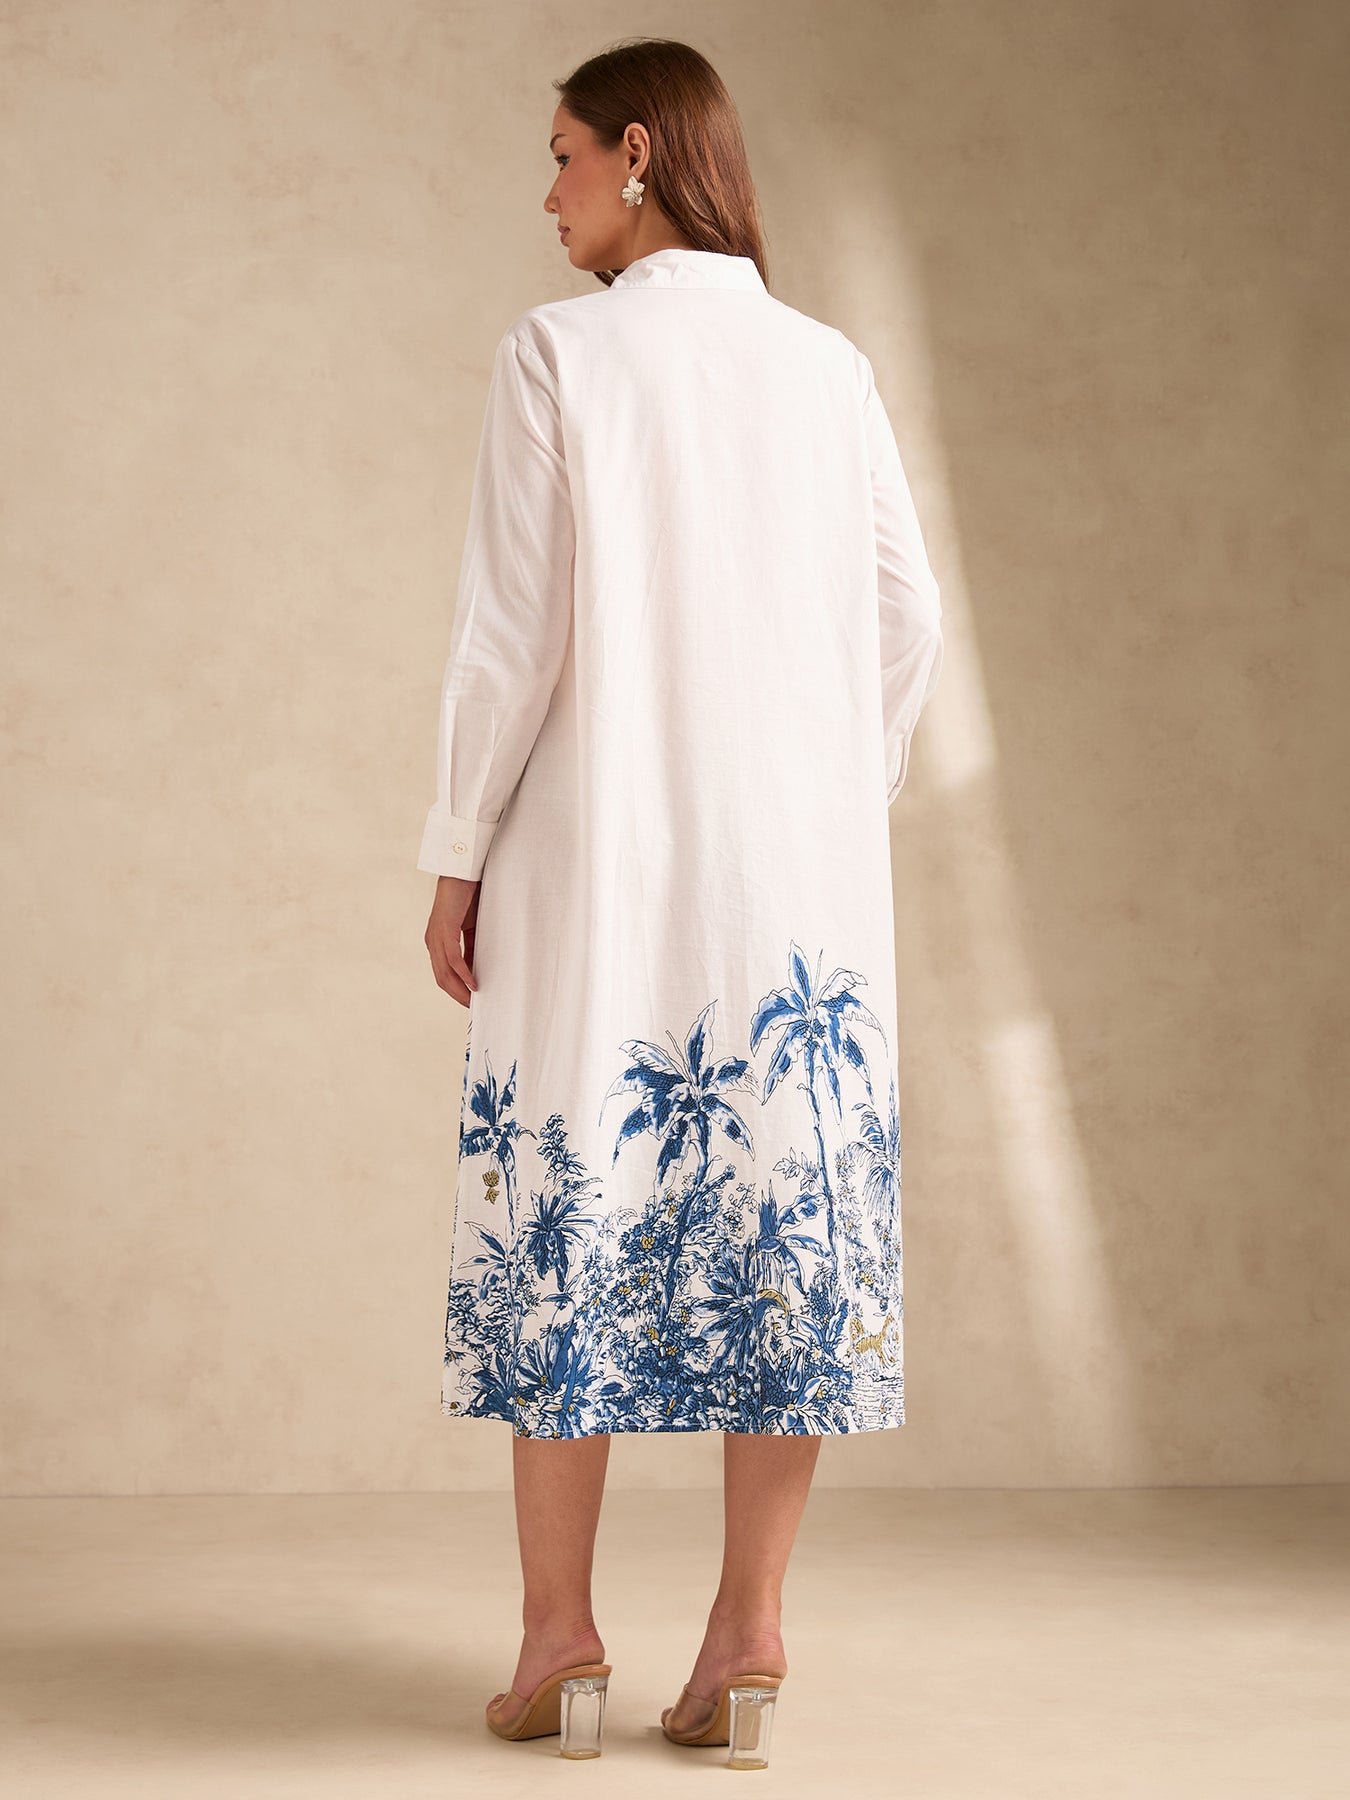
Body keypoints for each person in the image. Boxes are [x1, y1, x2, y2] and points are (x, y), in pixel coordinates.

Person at [419, 37, 945, 1762]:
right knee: (779, 1216)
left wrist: (455, 850)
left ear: (636, 153)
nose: (548, 193)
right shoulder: (827, 365)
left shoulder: (558, 354)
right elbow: (908, 617)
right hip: (795, 885)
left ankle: (557, 1641)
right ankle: (747, 1637)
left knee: (573, 1189)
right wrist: (824, 792)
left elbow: (512, 638)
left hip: (598, 858)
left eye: (562, 155)